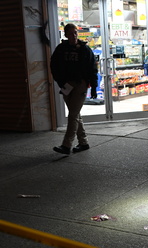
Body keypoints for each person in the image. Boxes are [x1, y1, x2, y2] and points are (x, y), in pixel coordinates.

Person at [50, 23, 98, 155]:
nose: (74, 35)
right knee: (75, 114)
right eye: (71, 33)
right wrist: (60, 82)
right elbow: (53, 66)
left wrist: (94, 87)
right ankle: (84, 143)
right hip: (66, 85)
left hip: (80, 84)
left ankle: (66, 145)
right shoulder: (60, 49)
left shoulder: (84, 49)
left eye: (76, 33)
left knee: (72, 115)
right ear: (65, 35)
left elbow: (93, 69)